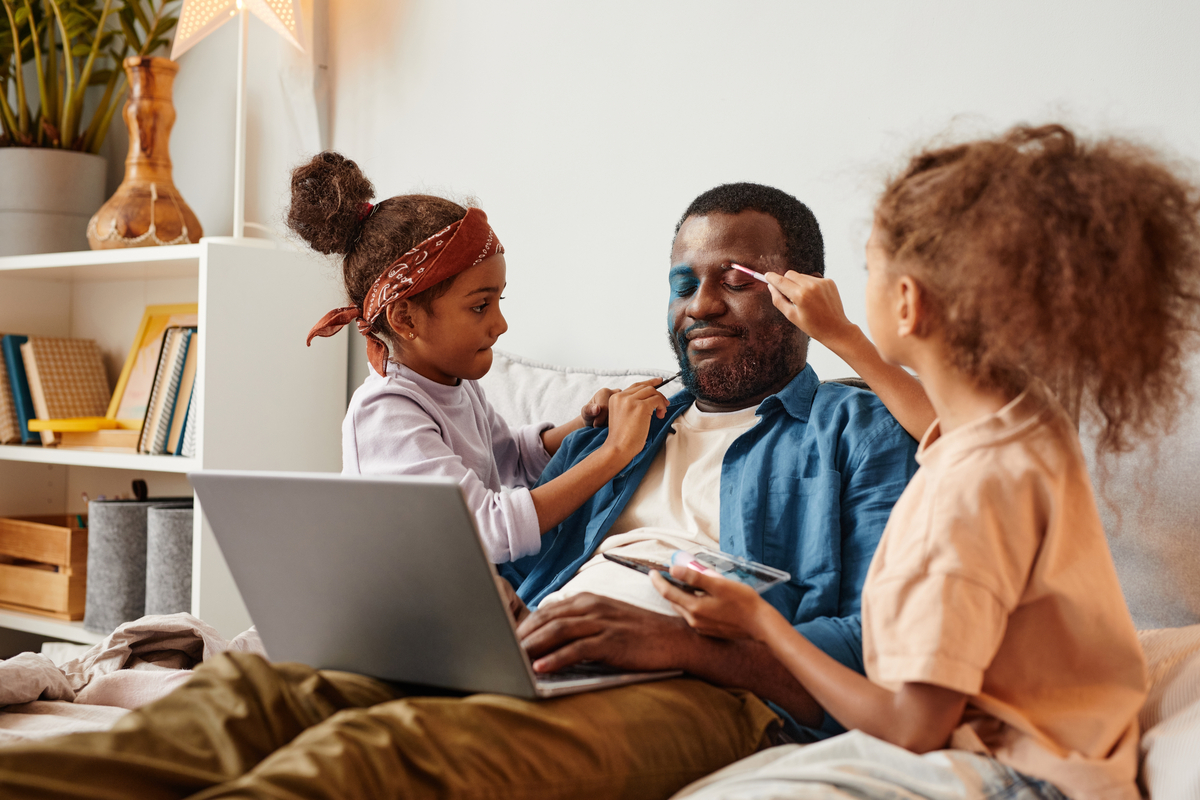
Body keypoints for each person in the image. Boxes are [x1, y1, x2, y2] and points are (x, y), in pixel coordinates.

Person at [0, 183, 919, 800]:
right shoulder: (631, 421)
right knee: (255, 697)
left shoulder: (865, 430)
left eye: (737, 281)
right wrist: (478, 597)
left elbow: (877, 637)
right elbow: (505, 525)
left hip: (698, 684)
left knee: (372, 757)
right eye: (685, 283)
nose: (700, 305)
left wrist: (679, 639)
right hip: (523, 645)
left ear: (799, 292)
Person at [653, 125, 1200, 800]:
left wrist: (762, 626)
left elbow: (913, 727)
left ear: (908, 301)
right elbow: (942, 422)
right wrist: (847, 338)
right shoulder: (1026, 426)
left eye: (871, 266)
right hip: (1076, 757)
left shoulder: (961, 497)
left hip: (1007, 774)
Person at [294, 152, 669, 563]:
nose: (501, 324)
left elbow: (509, 456)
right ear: (406, 319)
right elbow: (490, 531)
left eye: (499, 300)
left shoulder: (456, 384)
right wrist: (615, 451)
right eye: (479, 306)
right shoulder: (384, 413)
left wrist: (587, 423)